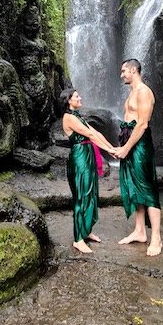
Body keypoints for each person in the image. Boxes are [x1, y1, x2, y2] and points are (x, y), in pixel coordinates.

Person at [114, 59, 162, 256]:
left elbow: (142, 124)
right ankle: (140, 231)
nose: (121, 75)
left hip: (140, 145)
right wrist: (122, 146)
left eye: (124, 71)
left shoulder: (144, 92)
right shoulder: (132, 92)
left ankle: (156, 238)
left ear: (133, 70)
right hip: (129, 141)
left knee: (147, 187)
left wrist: (126, 148)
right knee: (133, 185)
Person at [60, 87, 117, 253]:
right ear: (68, 100)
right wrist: (110, 150)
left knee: (91, 193)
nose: (80, 98)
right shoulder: (69, 118)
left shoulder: (77, 116)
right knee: (82, 194)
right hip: (80, 157)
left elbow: (96, 133)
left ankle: (86, 230)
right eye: (77, 96)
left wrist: (112, 148)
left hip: (88, 155)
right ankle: (78, 239)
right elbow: (91, 136)